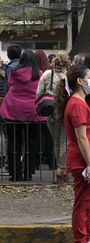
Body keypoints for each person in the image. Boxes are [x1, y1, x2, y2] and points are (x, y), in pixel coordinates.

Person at [56, 65, 90, 243]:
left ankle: (86, 237)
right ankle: (82, 239)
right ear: (80, 81)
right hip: (83, 161)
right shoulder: (76, 104)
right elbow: (81, 137)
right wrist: (89, 164)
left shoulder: (78, 103)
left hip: (87, 159)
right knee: (84, 203)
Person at [0, 50, 45, 181]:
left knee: (14, 143)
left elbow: (9, 85)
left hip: (13, 110)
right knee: (32, 143)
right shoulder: (39, 74)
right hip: (33, 110)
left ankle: (15, 173)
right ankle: (28, 172)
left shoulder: (14, 73)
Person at [37, 51, 71, 183]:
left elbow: (39, 92)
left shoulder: (47, 74)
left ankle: (59, 168)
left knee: (55, 141)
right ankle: (63, 168)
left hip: (51, 110)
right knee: (64, 141)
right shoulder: (69, 75)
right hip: (65, 109)